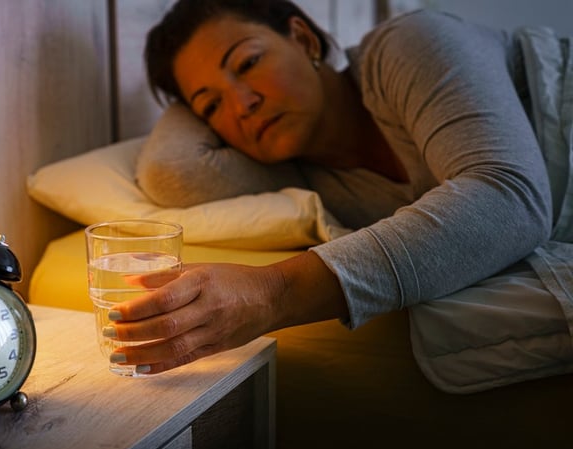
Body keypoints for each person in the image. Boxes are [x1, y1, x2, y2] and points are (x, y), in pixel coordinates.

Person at [104, 0, 573, 389]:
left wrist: (273, 292)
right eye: (211, 106)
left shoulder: (409, 43)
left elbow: (510, 198)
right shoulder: (297, 178)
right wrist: (193, 101)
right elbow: (171, 172)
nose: (243, 104)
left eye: (248, 63)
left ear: (305, 39)